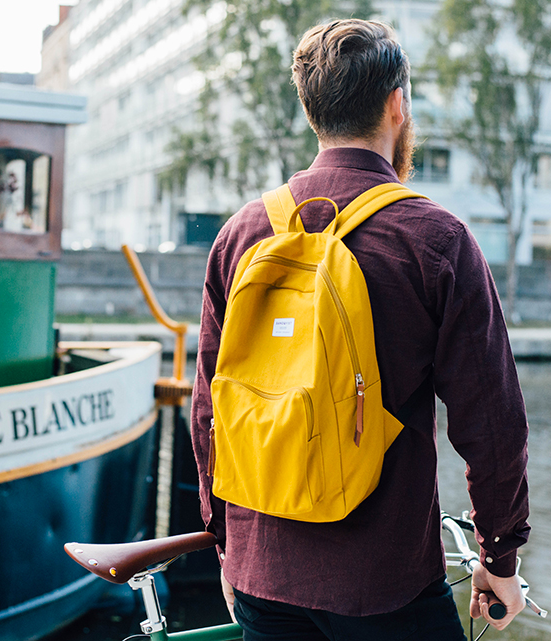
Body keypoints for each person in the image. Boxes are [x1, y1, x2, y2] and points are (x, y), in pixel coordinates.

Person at [189, 18, 530, 641]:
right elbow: (492, 423)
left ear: (311, 111)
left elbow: (209, 408)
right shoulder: (435, 240)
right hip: (387, 583)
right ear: (397, 104)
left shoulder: (242, 234)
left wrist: (225, 544)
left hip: (264, 574)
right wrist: (498, 555)